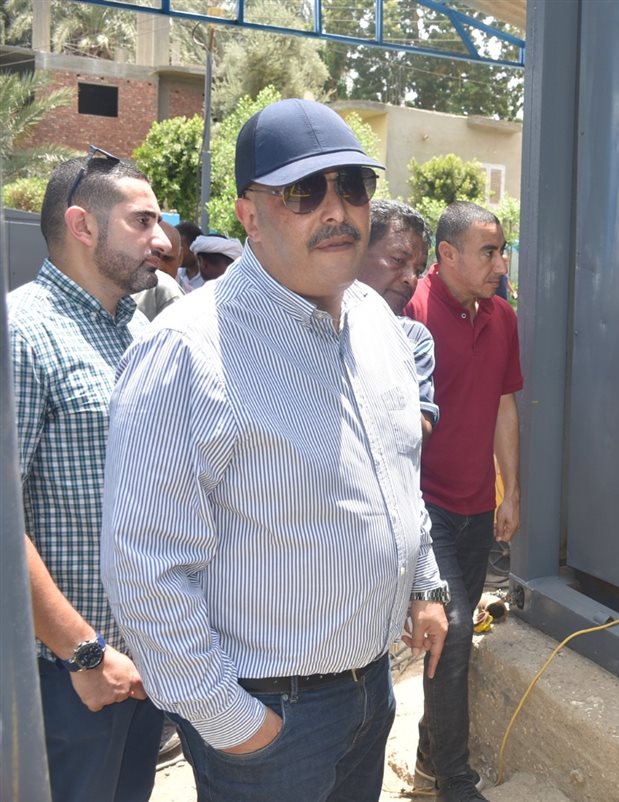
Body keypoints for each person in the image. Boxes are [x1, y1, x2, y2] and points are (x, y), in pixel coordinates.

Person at [100, 98, 449, 802]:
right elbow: (145, 569)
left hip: (370, 691)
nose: (337, 210)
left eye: (354, 186)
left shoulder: (378, 325)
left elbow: (397, 476)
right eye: (303, 191)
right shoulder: (188, 351)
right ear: (250, 216)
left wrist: (425, 584)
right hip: (270, 722)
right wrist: (235, 723)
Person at [11, 148, 170, 801]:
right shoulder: (22, 331)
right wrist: (83, 652)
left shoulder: (143, 331)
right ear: (82, 225)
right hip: (67, 676)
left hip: (144, 665)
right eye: (143, 221)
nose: (163, 241)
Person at [404, 201, 523, 802]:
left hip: (478, 507)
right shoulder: (411, 311)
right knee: (450, 634)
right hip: (426, 509)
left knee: (453, 642)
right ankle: (454, 778)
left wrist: (511, 490)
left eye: (501, 251)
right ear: (447, 254)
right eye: (489, 253)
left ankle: (429, 756)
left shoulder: (503, 317)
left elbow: (504, 406)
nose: (501, 265)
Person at [360, 199, 439, 441]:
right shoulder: (310, 323)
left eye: (418, 270)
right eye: (398, 260)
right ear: (355, 251)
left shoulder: (413, 338)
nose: (411, 279)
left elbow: (419, 432)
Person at [133, 220, 184, 320]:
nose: (159, 266)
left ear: (180, 257)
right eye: (152, 257)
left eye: (167, 259)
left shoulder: (167, 289)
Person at [175, 220, 203, 292]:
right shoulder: (177, 273)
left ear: (194, 248)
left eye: (180, 248)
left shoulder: (210, 278)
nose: (176, 252)